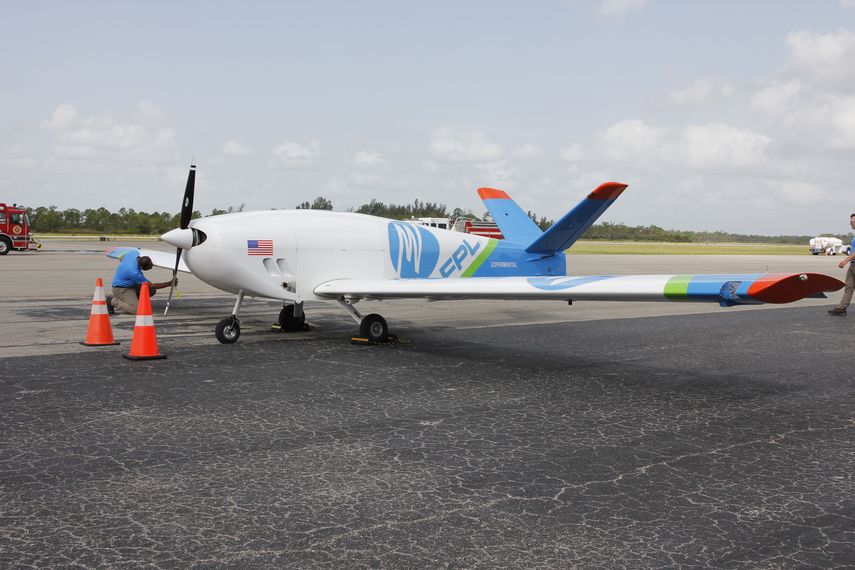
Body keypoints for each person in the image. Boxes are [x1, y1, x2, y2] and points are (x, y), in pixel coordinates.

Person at [108, 251, 177, 314]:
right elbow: (151, 285)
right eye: (148, 268)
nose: (151, 266)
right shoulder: (135, 273)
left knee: (151, 291)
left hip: (131, 285)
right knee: (137, 310)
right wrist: (169, 283)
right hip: (121, 289)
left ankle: (130, 301)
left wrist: (125, 264)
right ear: (141, 267)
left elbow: (121, 257)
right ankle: (111, 301)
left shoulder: (134, 253)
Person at [827, 213, 855, 316]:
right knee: (849, 286)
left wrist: (845, 261)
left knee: (849, 286)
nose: (850, 224)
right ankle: (842, 307)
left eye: (852, 221)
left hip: (852, 262)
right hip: (853, 265)